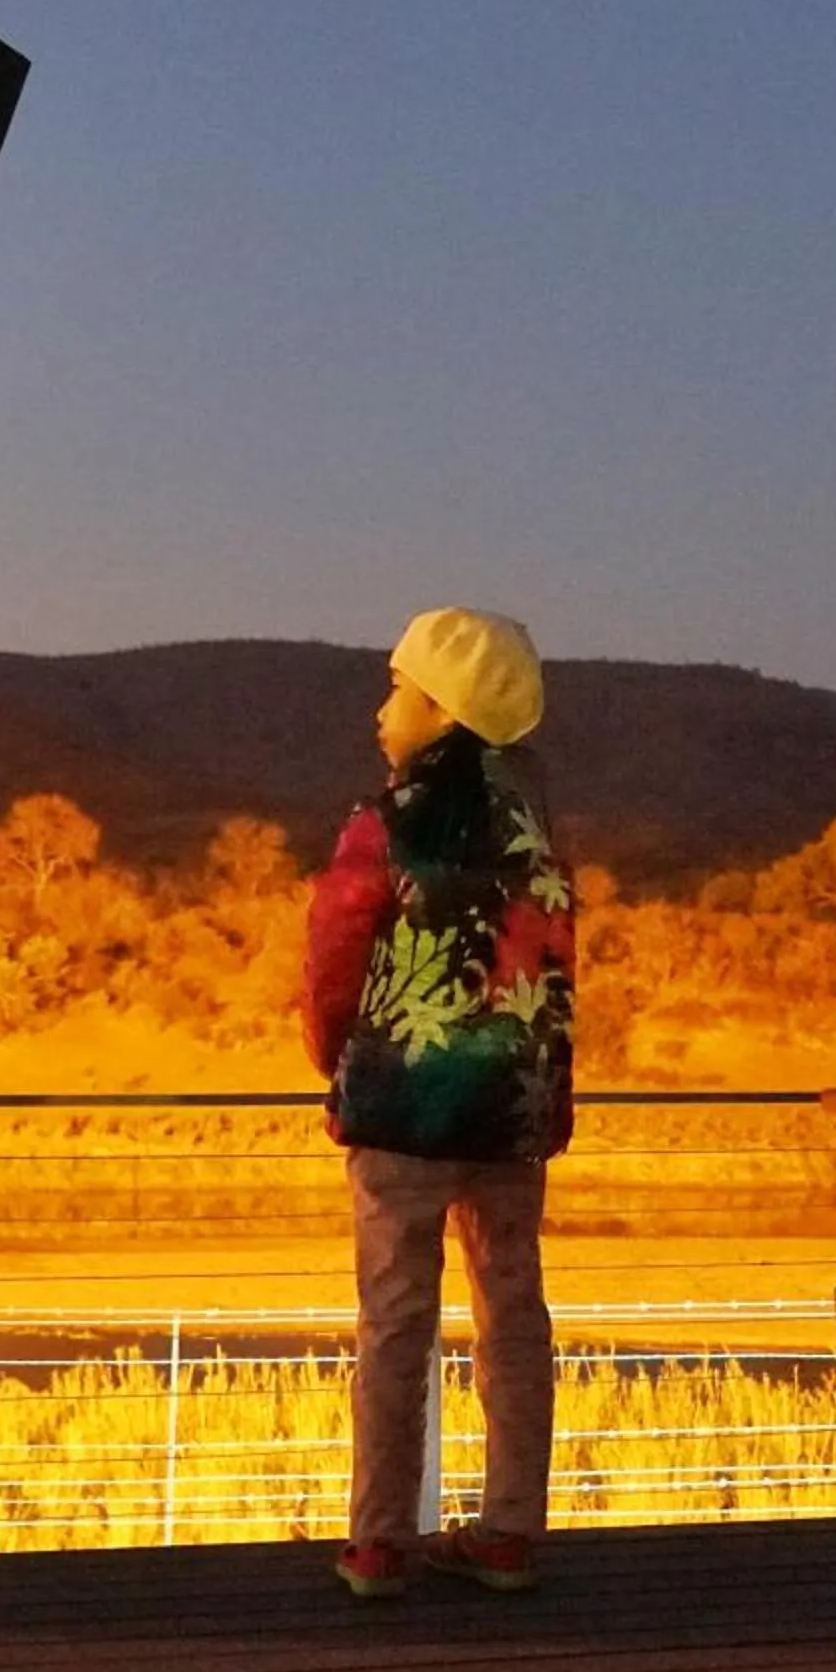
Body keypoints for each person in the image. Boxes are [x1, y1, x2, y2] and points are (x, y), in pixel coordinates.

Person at [303, 607, 576, 1599]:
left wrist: (340, 1058)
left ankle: (380, 1543)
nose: (382, 711)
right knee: (513, 1313)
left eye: (398, 689)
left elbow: (334, 960)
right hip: (509, 1110)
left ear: (445, 709)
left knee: (394, 1321)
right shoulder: (538, 831)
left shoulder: (385, 824)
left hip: (403, 1109)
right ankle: (507, 1534)